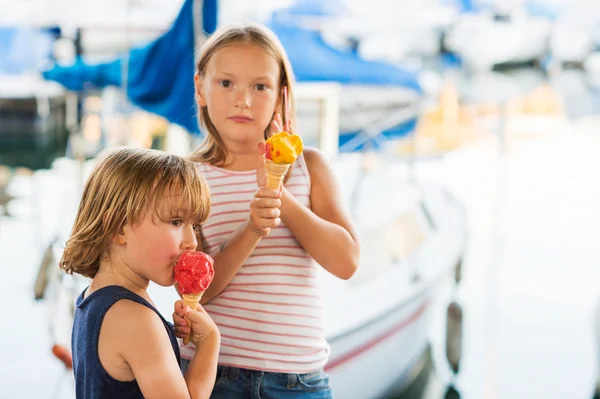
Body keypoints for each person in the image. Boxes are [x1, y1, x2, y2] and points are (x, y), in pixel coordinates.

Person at [172, 22, 360, 398]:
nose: (243, 100)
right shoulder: (186, 178)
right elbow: (196, 292)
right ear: (200, 89)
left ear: (281, 96)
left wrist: (281, 199)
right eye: (226, 83)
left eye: (260, 86)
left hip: (298, 379)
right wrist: (252, 230)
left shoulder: (309, 167)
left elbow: (346, 262)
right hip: (213, 374)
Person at [60, 147, 220, 399]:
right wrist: (210, 343)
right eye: (176, 222)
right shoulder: (136, 319)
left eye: (195, 225)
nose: (191, 242)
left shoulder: (91, 300)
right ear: (118, 228)